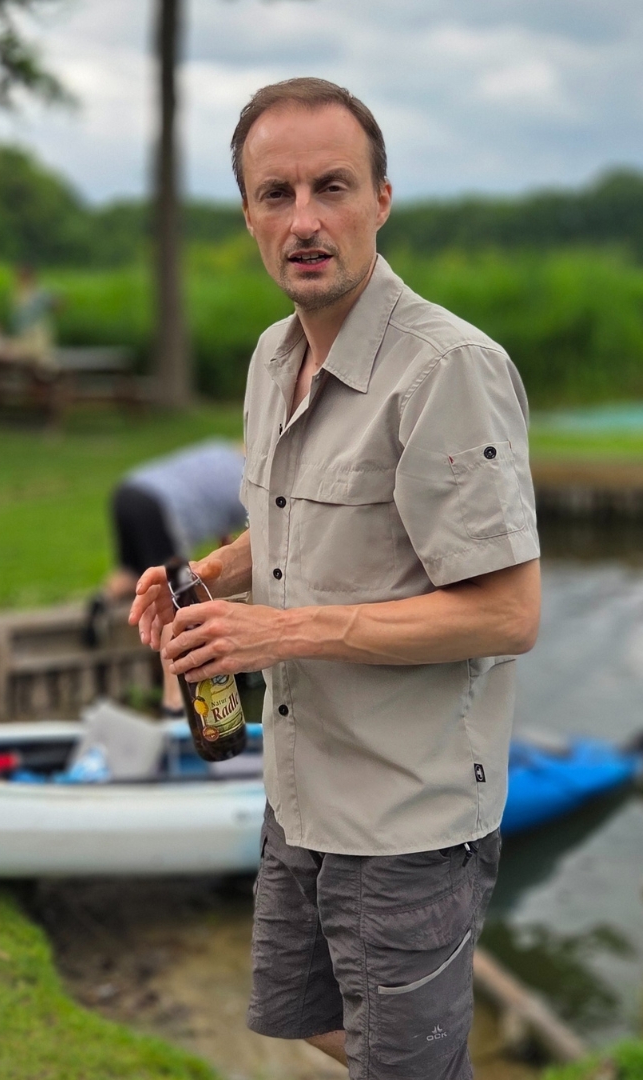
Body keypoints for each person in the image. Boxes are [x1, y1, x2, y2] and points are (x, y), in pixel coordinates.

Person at [130, 78, 540, 1078]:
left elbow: (508, 612)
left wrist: (284, 633)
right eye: (277, 194)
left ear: (382, 199)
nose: (306, 220)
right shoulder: (275, 357)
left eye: (333, 186)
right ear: (248, 217)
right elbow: (296, 523)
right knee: (302, 1017)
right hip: (302, 788)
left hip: (408, 815)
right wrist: (208, 575)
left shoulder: (448, 370)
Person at [101, 439, 247, 715]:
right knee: (175, 599)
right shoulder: (249, 484)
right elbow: (231, 549)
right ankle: (176, 705)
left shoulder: (217, 450)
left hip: (128, 492)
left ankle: (101, 602)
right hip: (158, 509)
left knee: (133, 572)